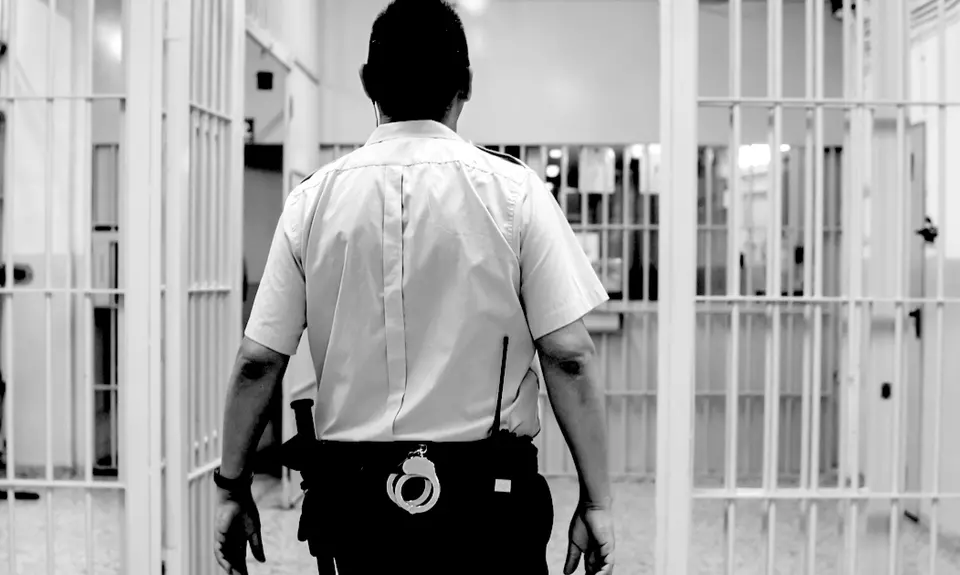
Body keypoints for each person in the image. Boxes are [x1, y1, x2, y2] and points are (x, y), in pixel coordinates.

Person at [213, 1, 614, 573]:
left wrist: (232, 486)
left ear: (367, 84)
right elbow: (569, 356)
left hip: (355, 509)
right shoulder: (515, 194)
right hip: (490, 506)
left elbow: (257, 362)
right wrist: (596, 500)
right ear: (466, 86)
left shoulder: (312, 200)